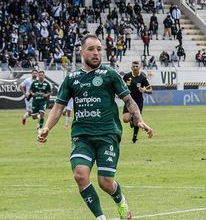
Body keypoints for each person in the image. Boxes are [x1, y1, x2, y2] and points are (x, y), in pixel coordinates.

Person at [37, 34, 154, 220]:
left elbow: (129, 101)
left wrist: (138, 119)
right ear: (81, 51)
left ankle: (121, 202)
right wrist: (46, 128)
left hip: (107, 134)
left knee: (105, 182)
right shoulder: (72, 79)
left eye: (99, 49)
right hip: (82, 136)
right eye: (91, 49)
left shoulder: (110, 75)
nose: (96, 53)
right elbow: (58, 107)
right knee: (80, 176)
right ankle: (100, 217)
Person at [122, 61, 153, 143]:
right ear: (131, 67)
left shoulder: (143, 77)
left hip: (138, 101)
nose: (135, 68)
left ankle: (134, 137)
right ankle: (132, 120)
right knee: (125, 119)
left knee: (137, 121)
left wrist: (144, 90)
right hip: (129, 100)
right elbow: (121, 86)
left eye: (136, 66)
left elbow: (151, 90)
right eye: (134, 66)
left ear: (139, 67)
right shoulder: (126, 76)